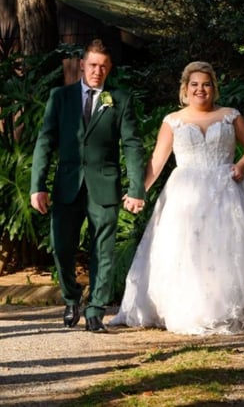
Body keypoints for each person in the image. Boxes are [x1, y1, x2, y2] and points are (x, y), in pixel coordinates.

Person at [109, 61, 244, 335]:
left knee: (225, 251)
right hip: (184, 194)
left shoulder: (229, 115)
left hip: (225, 191)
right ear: (185, 89)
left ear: (214, 88)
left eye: (206, 84)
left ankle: (225, 311)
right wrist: (139, 192)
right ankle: (188, 310)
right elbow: (157, 161)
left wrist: (242, 164)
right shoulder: (173, 120)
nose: (201, 89)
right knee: (184, 250)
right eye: (195, 84)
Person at [30, 39, 145, 333]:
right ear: (82, 65)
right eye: (93, 65)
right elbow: (45, 141)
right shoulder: (61, 97)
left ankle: (95, 310)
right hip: (67, 185)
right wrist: (37, 186)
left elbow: (132, 145)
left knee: (103, 251)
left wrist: (136, 189)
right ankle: (71, 298)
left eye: (103, 66)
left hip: (104, 186)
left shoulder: (119, 99)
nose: (97, 71)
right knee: (61, 248)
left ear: (110, 68)